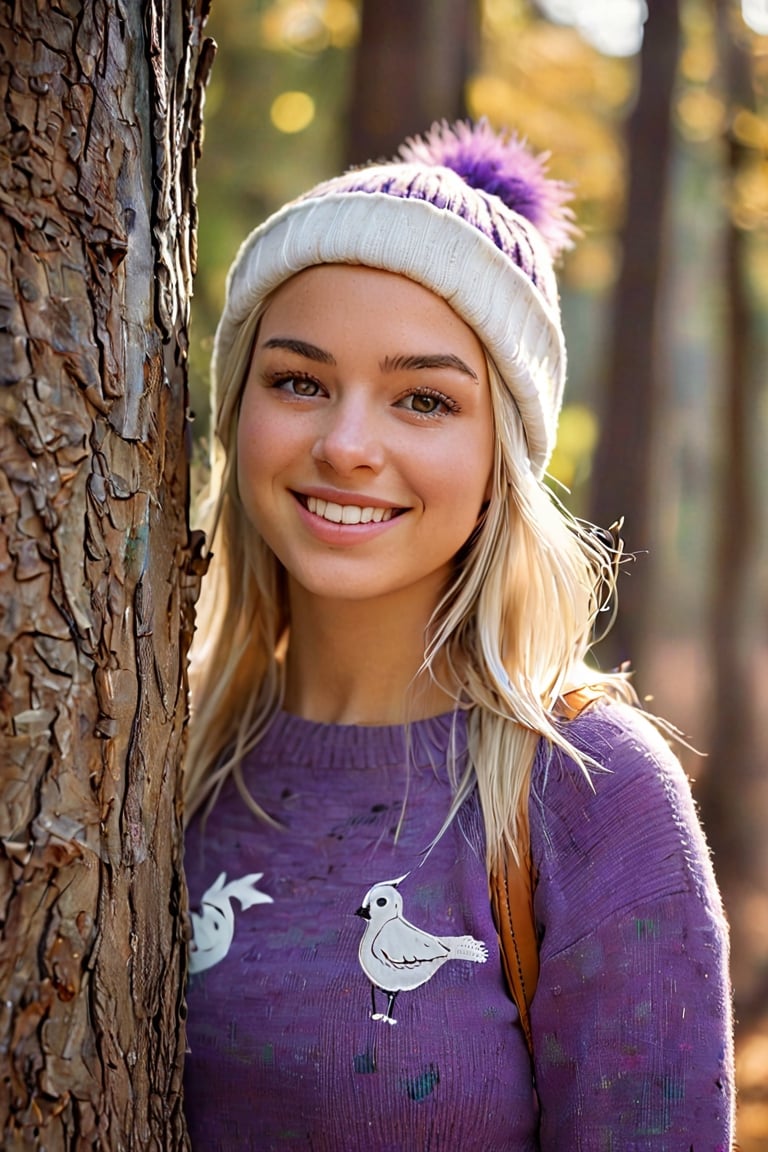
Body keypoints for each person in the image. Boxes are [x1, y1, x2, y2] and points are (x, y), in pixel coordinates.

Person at [182, 120, 734, 1150]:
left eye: (424, 399)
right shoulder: (157, 759)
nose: (346, 444)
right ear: (236, 412)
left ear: (502, 459)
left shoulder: (589, 792)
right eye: (299, 379)